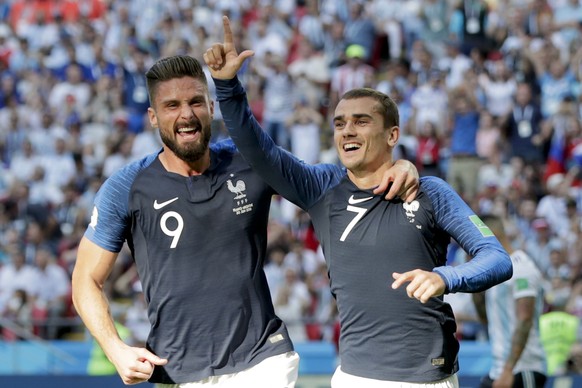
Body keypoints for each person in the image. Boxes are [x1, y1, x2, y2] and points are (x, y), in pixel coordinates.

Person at [71, 52, 419, 386]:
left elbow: (334, 183)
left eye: (195, 102)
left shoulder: (250, 162)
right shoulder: (127, 187)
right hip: (177, 369)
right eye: (171, 106)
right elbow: (86, 278)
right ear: (152, 116)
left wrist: (399, 165)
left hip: (262, 360)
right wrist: (114, 349)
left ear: (211, 107)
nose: (186, 115)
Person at [204, 16, 513, 388]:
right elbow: (259, 149)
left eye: (362, 121)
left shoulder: (431, 192)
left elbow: (497, 259)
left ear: (392, 134)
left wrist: (444, 277)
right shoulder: (321, 187)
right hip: (353, 376)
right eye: (339, 123)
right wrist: (227, 87)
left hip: (428, 378)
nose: (347, 130)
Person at [472, 215, 547, 388]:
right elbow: (486, 320)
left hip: (523, 369)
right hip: (498, 370)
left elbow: (525, 319)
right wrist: (475, 287)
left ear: (492, 234)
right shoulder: (496, 271)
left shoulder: (521, 267)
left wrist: (508, 370)